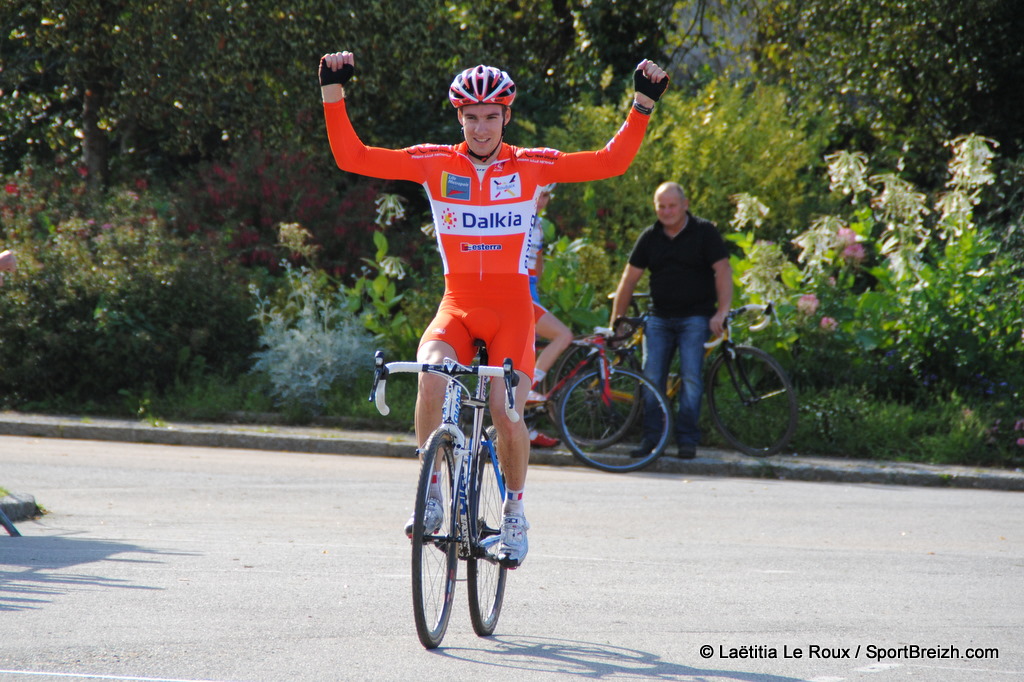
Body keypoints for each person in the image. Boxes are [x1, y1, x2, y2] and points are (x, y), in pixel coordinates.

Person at [320, 51, 668, 567]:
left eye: (490, 116)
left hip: (512, 311)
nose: (481, 127)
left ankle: (513, 511)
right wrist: (333, 93)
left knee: (507, 413)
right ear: (459, 119)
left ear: (506, 116)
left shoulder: (531, 166)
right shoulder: (434, 162)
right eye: (471, 117)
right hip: (457, 305)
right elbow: (355, 156)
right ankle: (432, 492)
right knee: (432, 375)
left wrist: (641, 104)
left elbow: (609, 162)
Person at [610, 182, 732, 459]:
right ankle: (651, 440)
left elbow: (723, 271)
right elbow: (628, 280)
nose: (666, 211)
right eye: (661, 206)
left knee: (691, 378)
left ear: (685, 204)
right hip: (659, 319)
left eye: (672, 205)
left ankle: (687, 440)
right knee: (651, 378)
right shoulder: (650, 236)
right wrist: (617, 321)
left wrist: (722, 311)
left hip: (696, 317)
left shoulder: (704, 232)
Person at [525, 184, 572, 449]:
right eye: (538, 194)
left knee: (525, 357)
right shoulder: (516, 217)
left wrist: (536, 288)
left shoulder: (538, 224)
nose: (542, 200)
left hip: (532, 293)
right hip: (520, 295)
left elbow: (538, 258)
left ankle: (528, 431)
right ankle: (531, 384)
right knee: (563, 335)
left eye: (545, 195)